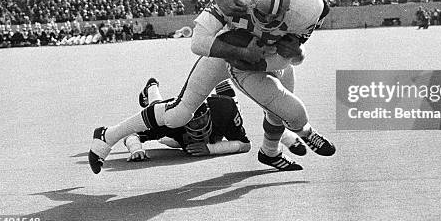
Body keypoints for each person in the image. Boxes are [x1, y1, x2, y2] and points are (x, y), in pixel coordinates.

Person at [88, 0, 333, 174]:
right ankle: (109, 135)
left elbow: (297, 54)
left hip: (267, 56)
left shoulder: (311, 8)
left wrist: (297, 53)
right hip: (227, 47)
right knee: (178, 114)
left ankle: (271, 151)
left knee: (281, 103)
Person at [123, 78, 306, 161]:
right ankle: (152, 86)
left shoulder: (222, 110)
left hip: (220, 107)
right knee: (157, 112)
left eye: (201, 119)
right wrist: (136, 149)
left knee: (232, 103)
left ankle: (221, 82)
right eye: (194, 122)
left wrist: (210, 149)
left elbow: (245, 144)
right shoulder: (173, 122)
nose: (199, 125)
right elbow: (131, 134)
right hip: (173, 115)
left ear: (208, 112)